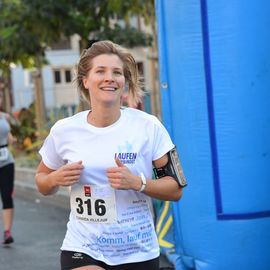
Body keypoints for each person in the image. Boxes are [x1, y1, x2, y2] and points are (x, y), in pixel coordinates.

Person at [35, 40, 187, 270]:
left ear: (124, 82)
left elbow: (175, 189)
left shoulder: (148, 126)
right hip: (83, 247)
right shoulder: (64, 130)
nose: (110, 77)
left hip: (138, 252)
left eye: (117, 72)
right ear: (85, 80)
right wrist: (55, 179)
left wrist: (138, 183)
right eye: (100, 71)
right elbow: (42, 182)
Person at [0, 91, 15, 245]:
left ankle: (7, 232)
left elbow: (8, 136)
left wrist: (12, 140)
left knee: (6, 195)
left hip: (6, 160)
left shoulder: (4, 117)